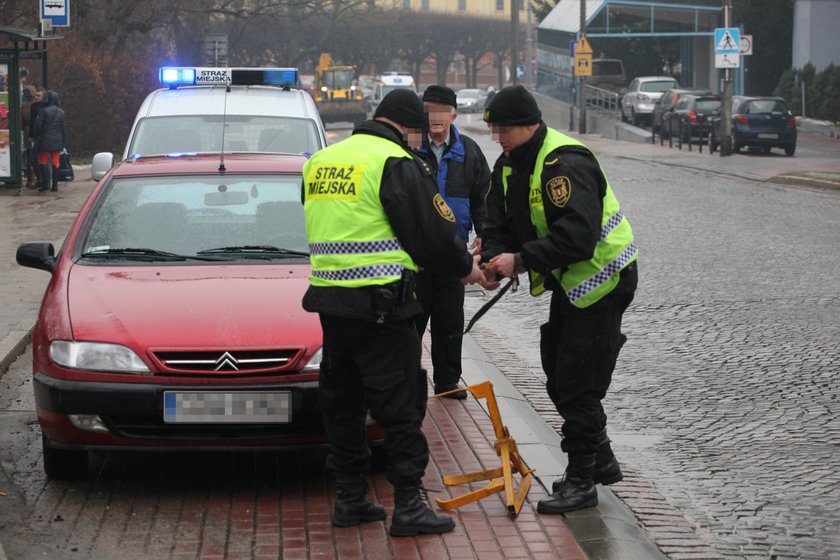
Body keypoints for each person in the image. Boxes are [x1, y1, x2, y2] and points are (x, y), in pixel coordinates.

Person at [301, 88, 487, 537]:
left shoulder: (321, 160)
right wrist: (468, 269)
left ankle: (350, 498)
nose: (422, 143)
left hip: (331, 301)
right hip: (384, 304)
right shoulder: (396, 162)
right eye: (419, 135)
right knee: (401, 405)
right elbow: (435, 233)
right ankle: (408, 505)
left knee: (342, 401)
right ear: (406, 128)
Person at [480, 85, 638, 514]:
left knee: (576, 380)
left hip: (603, 277)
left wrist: (521, 260)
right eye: (494, 129)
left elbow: (579, 237)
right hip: (572, 282)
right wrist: (495, 256)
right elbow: (497, 218)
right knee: (557, 369)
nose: (498, 137)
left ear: (529, 124)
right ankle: (599, 454)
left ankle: (583, 478)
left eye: (504, 129)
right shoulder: (511, 165)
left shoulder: (564, 163)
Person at [415, 85, 490, 399]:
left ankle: (447, 381)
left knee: (449, 319)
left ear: (453, 115)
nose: (435, 118)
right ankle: (406, 378)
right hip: (415, 253)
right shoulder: (408, 149)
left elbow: (483, 197)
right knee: (411, 319)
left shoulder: (469, 151)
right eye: (429, 110)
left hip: (453, 251)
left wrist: (486, 232)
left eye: (442, 112)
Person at [32, 90, 66, 192]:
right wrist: (64, 142)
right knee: (56, 162)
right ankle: (55, 186)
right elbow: (64, 129)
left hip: (45, 140)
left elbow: (38, 126)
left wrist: (36, 134)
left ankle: (46, 183)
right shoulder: (61, 112)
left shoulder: (43, 111)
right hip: (57, 140)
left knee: (42, 160)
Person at [20, 85, 37, 188]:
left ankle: (30, 179)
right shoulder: (36, 106)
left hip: (27, 133)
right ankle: (34, 178)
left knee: (29, 156)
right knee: (35, 156)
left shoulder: (23, 106)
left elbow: (21, 123)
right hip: (35, 133)